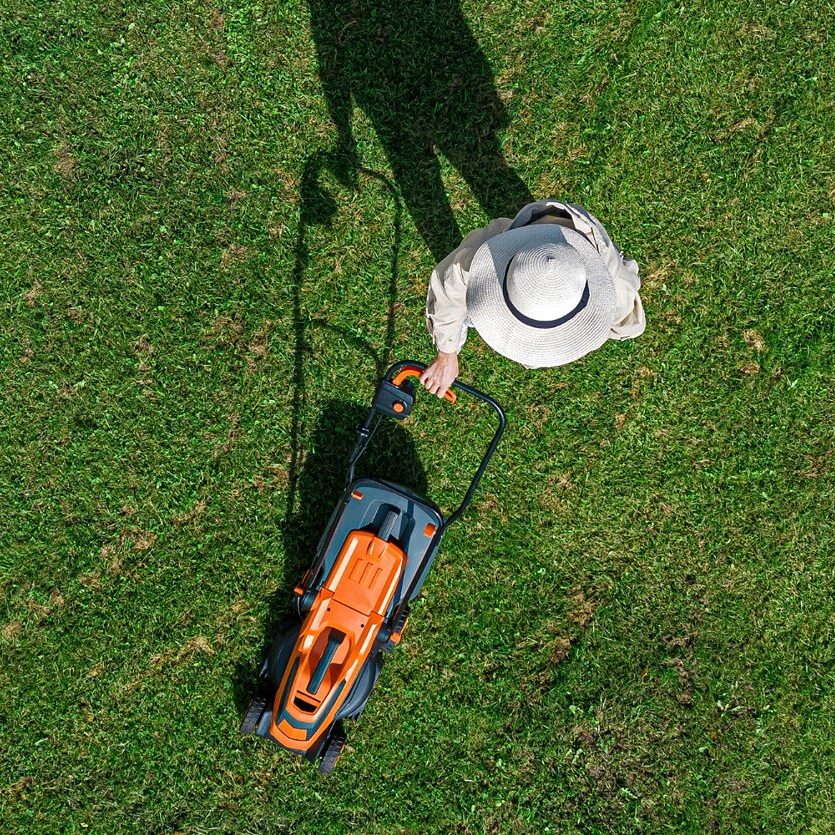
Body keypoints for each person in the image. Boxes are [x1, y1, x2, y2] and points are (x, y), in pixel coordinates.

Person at [420, 200, 646, 397]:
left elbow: (629, 324)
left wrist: (594, 325)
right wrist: (447, 353)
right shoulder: (478, 255)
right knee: (459, 308)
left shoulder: (617, 292)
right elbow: (447, 289)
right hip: (524, 232)